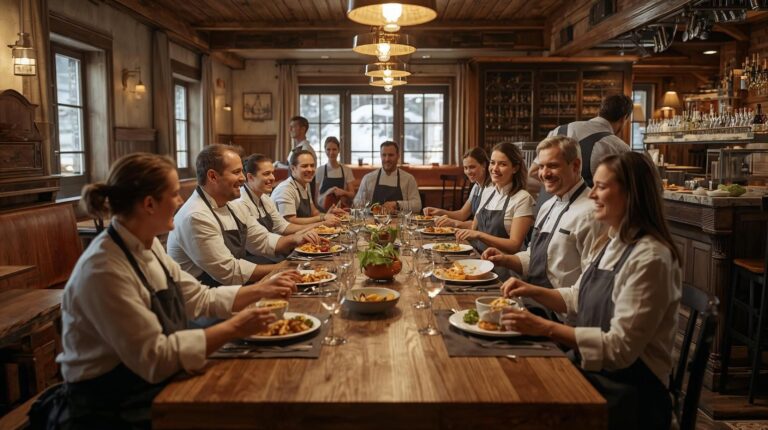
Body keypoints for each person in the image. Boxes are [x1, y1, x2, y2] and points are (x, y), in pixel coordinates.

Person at [31, 153, 299, 429]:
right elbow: (155, 358)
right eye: (173, 194)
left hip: (145, 385)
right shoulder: (104, 269)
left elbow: (198, 297)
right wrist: (235, 327)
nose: (180, 201)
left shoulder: (146, 245)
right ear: (149, 204)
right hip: (111, 405)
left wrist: (262, 290)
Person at [499, 151, 682, 430]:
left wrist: (544, 327)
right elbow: (577, 296)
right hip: (596, 372)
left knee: (520, 405)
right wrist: (530, 290)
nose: (592, 194)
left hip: (631, 393)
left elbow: (619, 349)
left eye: (602, 187)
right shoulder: (612, 241)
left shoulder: (651, 258)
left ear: (631, 194)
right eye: (593, 185)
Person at [167, 144, 318, 287]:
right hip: (205, 297)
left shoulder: (233, 205)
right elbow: (229, 271)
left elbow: (263, 240)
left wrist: (296, 238)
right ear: (212, 176)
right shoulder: (196, 216)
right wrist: (284, 267)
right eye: (236, 172)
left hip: (230, 287)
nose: (243, 178)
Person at [482, 136, 603, 297]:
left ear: (575, 165)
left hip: (559, 310)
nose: (544, 174)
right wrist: (503, 259)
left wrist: (534, 292)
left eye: (552, 166)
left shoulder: (592, 214)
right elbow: (533, 257)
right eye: (541, 166)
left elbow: (589, 289)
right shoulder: (547, 206)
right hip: (535, 299)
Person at [529, 94, 632, 213]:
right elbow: (625, 190)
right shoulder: (619, 147)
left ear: (600, 111)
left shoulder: (559, 130)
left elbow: (533, 173)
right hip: (590, 212)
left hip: (549, 210)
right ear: (624, 118)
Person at [454, 142, 534, 272]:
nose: (494, 169)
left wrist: (480, 235)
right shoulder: (487, 192)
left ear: (515, 168)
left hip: (504, 270)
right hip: (479, 262)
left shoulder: (523, 198)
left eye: (502, 164)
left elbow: (514, 245)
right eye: (492, 163)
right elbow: (474, 227)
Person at [423, 146, 491, 229]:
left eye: (472, 167)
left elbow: (484, 225)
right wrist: (439, 212)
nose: (468, 172)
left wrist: (455, 223)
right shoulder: (476, 187)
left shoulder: (491, 188)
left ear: (484, 165)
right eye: (465, 168)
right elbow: (462, 214)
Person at [272, 149, 346, 224]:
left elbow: (314, 213)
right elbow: (290, 221)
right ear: (293, 168)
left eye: (312, 165)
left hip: (302, 230)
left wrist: (328, 214)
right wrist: (323, 218)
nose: (310, 169)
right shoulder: (286, 189)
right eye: (304, 166)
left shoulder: (306, 184)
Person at [353, 141, 421, 213]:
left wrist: (397, 204)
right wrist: (372, 209)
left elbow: (417, 206)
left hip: (400, 220)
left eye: (391, 155)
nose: (387, 159)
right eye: (384, 155)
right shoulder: (368, 178)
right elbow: (356, 203)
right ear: (380, 156)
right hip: (372, 220)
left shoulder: (408, 179)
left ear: (398, 156)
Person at [315, 136, 355, 210]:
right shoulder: (319, 170)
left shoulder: (346, 170)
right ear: (325, 150)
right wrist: (329, 192)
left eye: (334, 149)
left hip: (341, 210)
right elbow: (316, 197)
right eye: (328, 149)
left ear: (339, 150)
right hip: (323, 211)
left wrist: (343, 192)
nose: (331, 152)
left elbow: (352, 195)